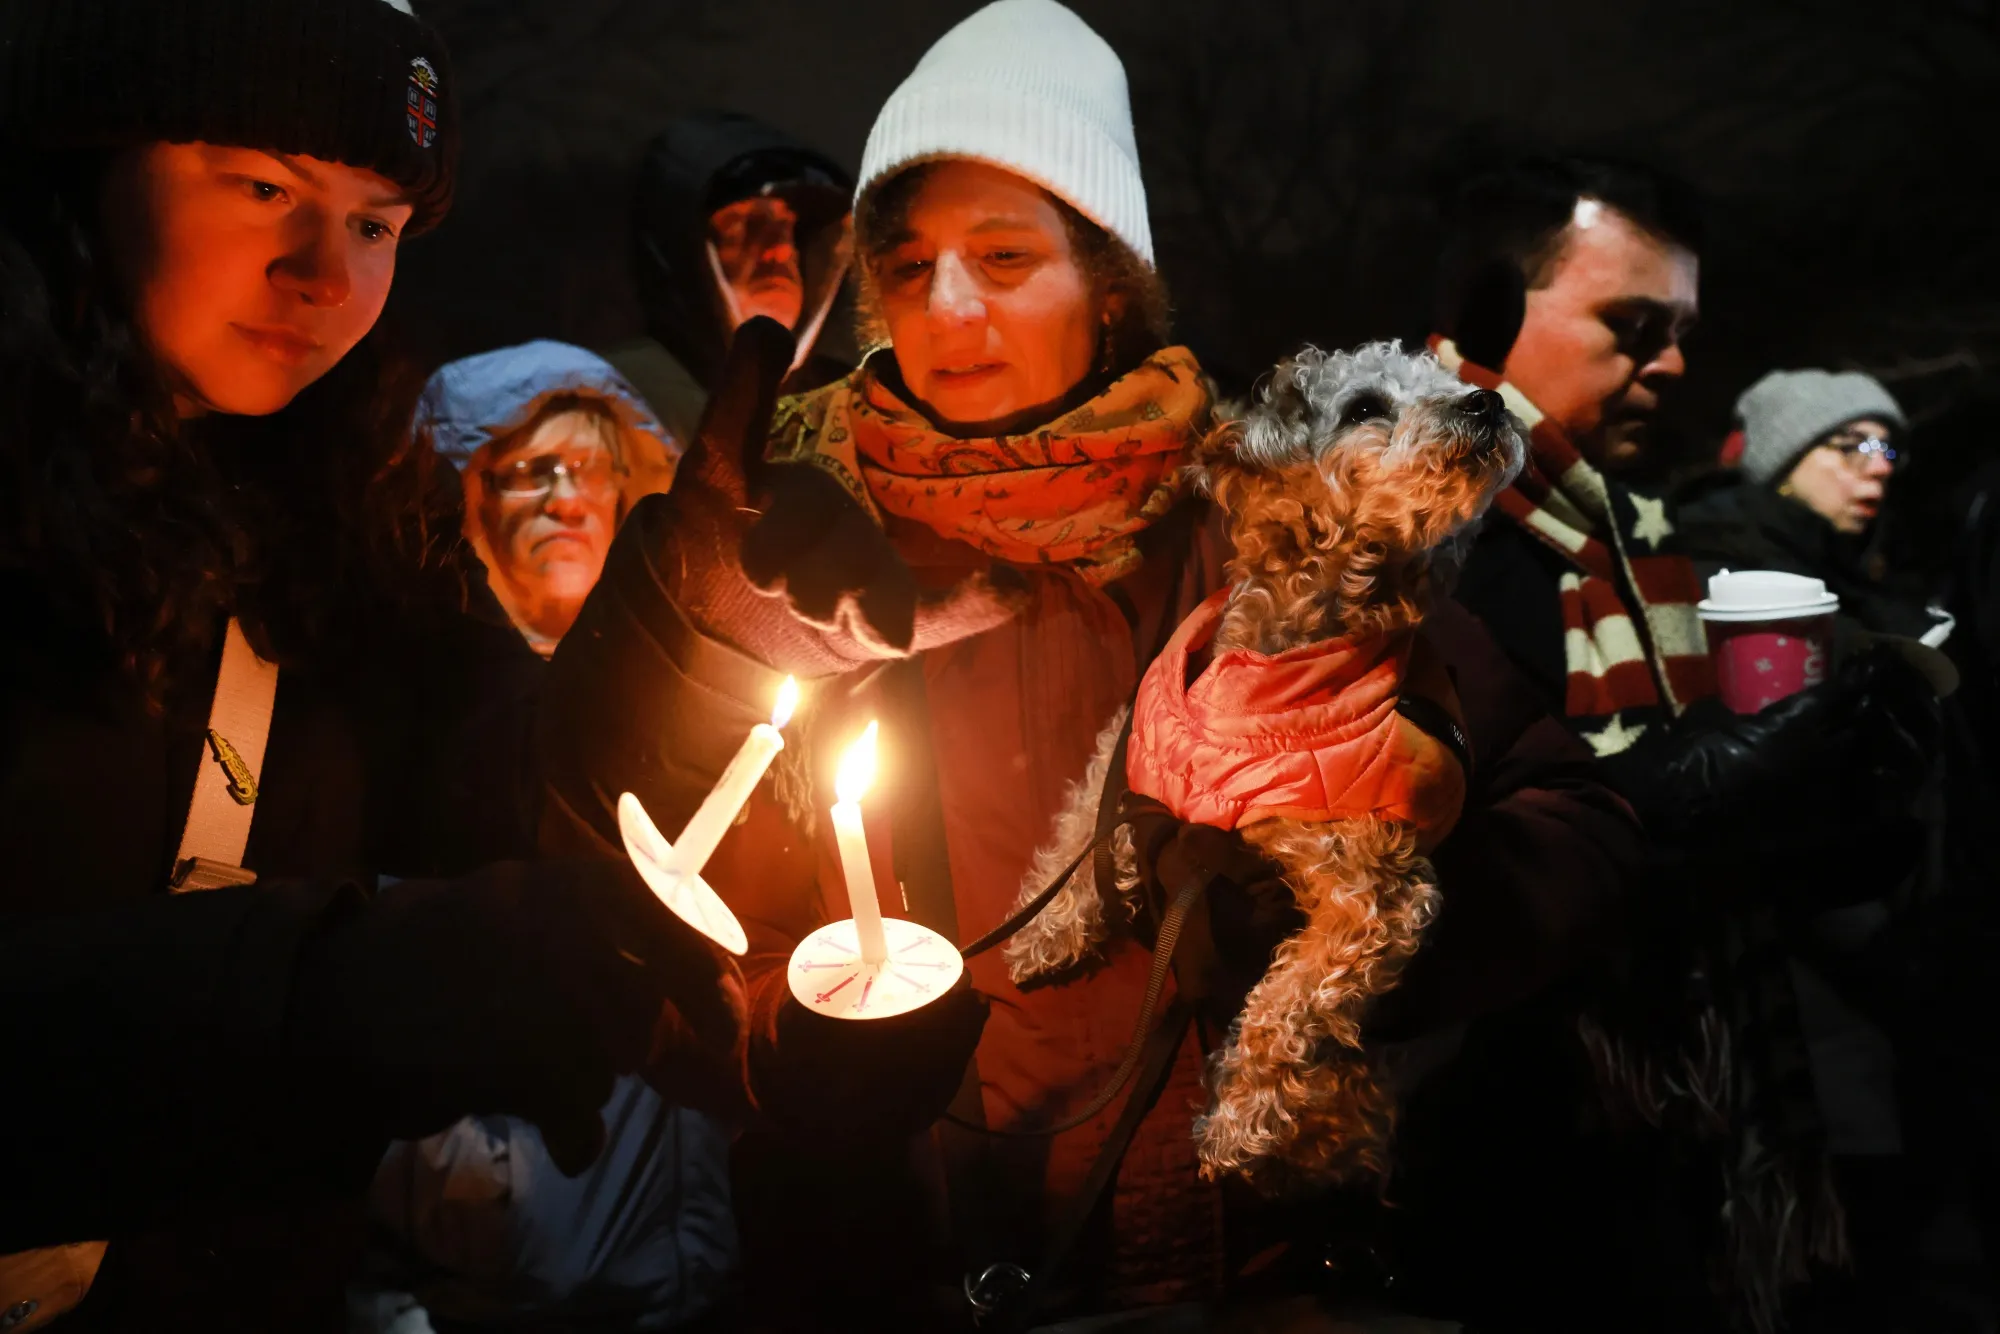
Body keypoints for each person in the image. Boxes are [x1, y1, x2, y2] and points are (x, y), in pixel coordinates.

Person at [536, 4, 1642, 1329]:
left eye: (1006, 257)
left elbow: (1570, 820)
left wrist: (1369, 936)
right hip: (906, 1278)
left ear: (1109, 280)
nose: (947, 308)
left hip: (1264, 1283)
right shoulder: (797, 555)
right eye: (907, 262)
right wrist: (786, 1049)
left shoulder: (1269, 526)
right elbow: (638, 913)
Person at [0, 3, 742, 1329]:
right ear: (83, 162)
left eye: (376, 221)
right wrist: (334, 993)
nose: (324, 273)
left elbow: (517, 773)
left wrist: (704, 615)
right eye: (265, 185)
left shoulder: (335, 535)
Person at [1435, 158, 1942, 1331]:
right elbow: (1423, 862)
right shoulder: (1397, 524)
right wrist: (1691, 797)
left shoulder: (1624, 528)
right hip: (1497, 1161)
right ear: (1490, 310)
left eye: (1678, 330)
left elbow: (1700, 805)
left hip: (1654, 1136)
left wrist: (1830, 812)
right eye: (1630, 324)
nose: (1668, 363)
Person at [343, 341, 734, 1333]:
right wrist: (475, 1198)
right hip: (484, 1281)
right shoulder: (413, 727)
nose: (567, 496)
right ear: (462, 496)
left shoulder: (693, 711)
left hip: (697, 1274)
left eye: (589, 467)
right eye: (529, 471)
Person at [606, 110, 855, 450]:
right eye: (741, 225)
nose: (779, 251)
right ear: (681, 252)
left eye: (787, 226)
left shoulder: (860, 408)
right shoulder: (612, 405)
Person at [421, 341, 682, 655]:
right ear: (471, 498)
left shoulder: (671, 665)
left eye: (594, 471)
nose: (567, 502)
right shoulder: (427, 682)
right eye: (529, 471)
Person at [1676, 369, 1939, 642]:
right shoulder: (1726, 572)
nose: (1881, 468)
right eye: (1851, 446)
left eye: (1888, 450)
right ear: (1783, 467)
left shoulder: (1858, 569)